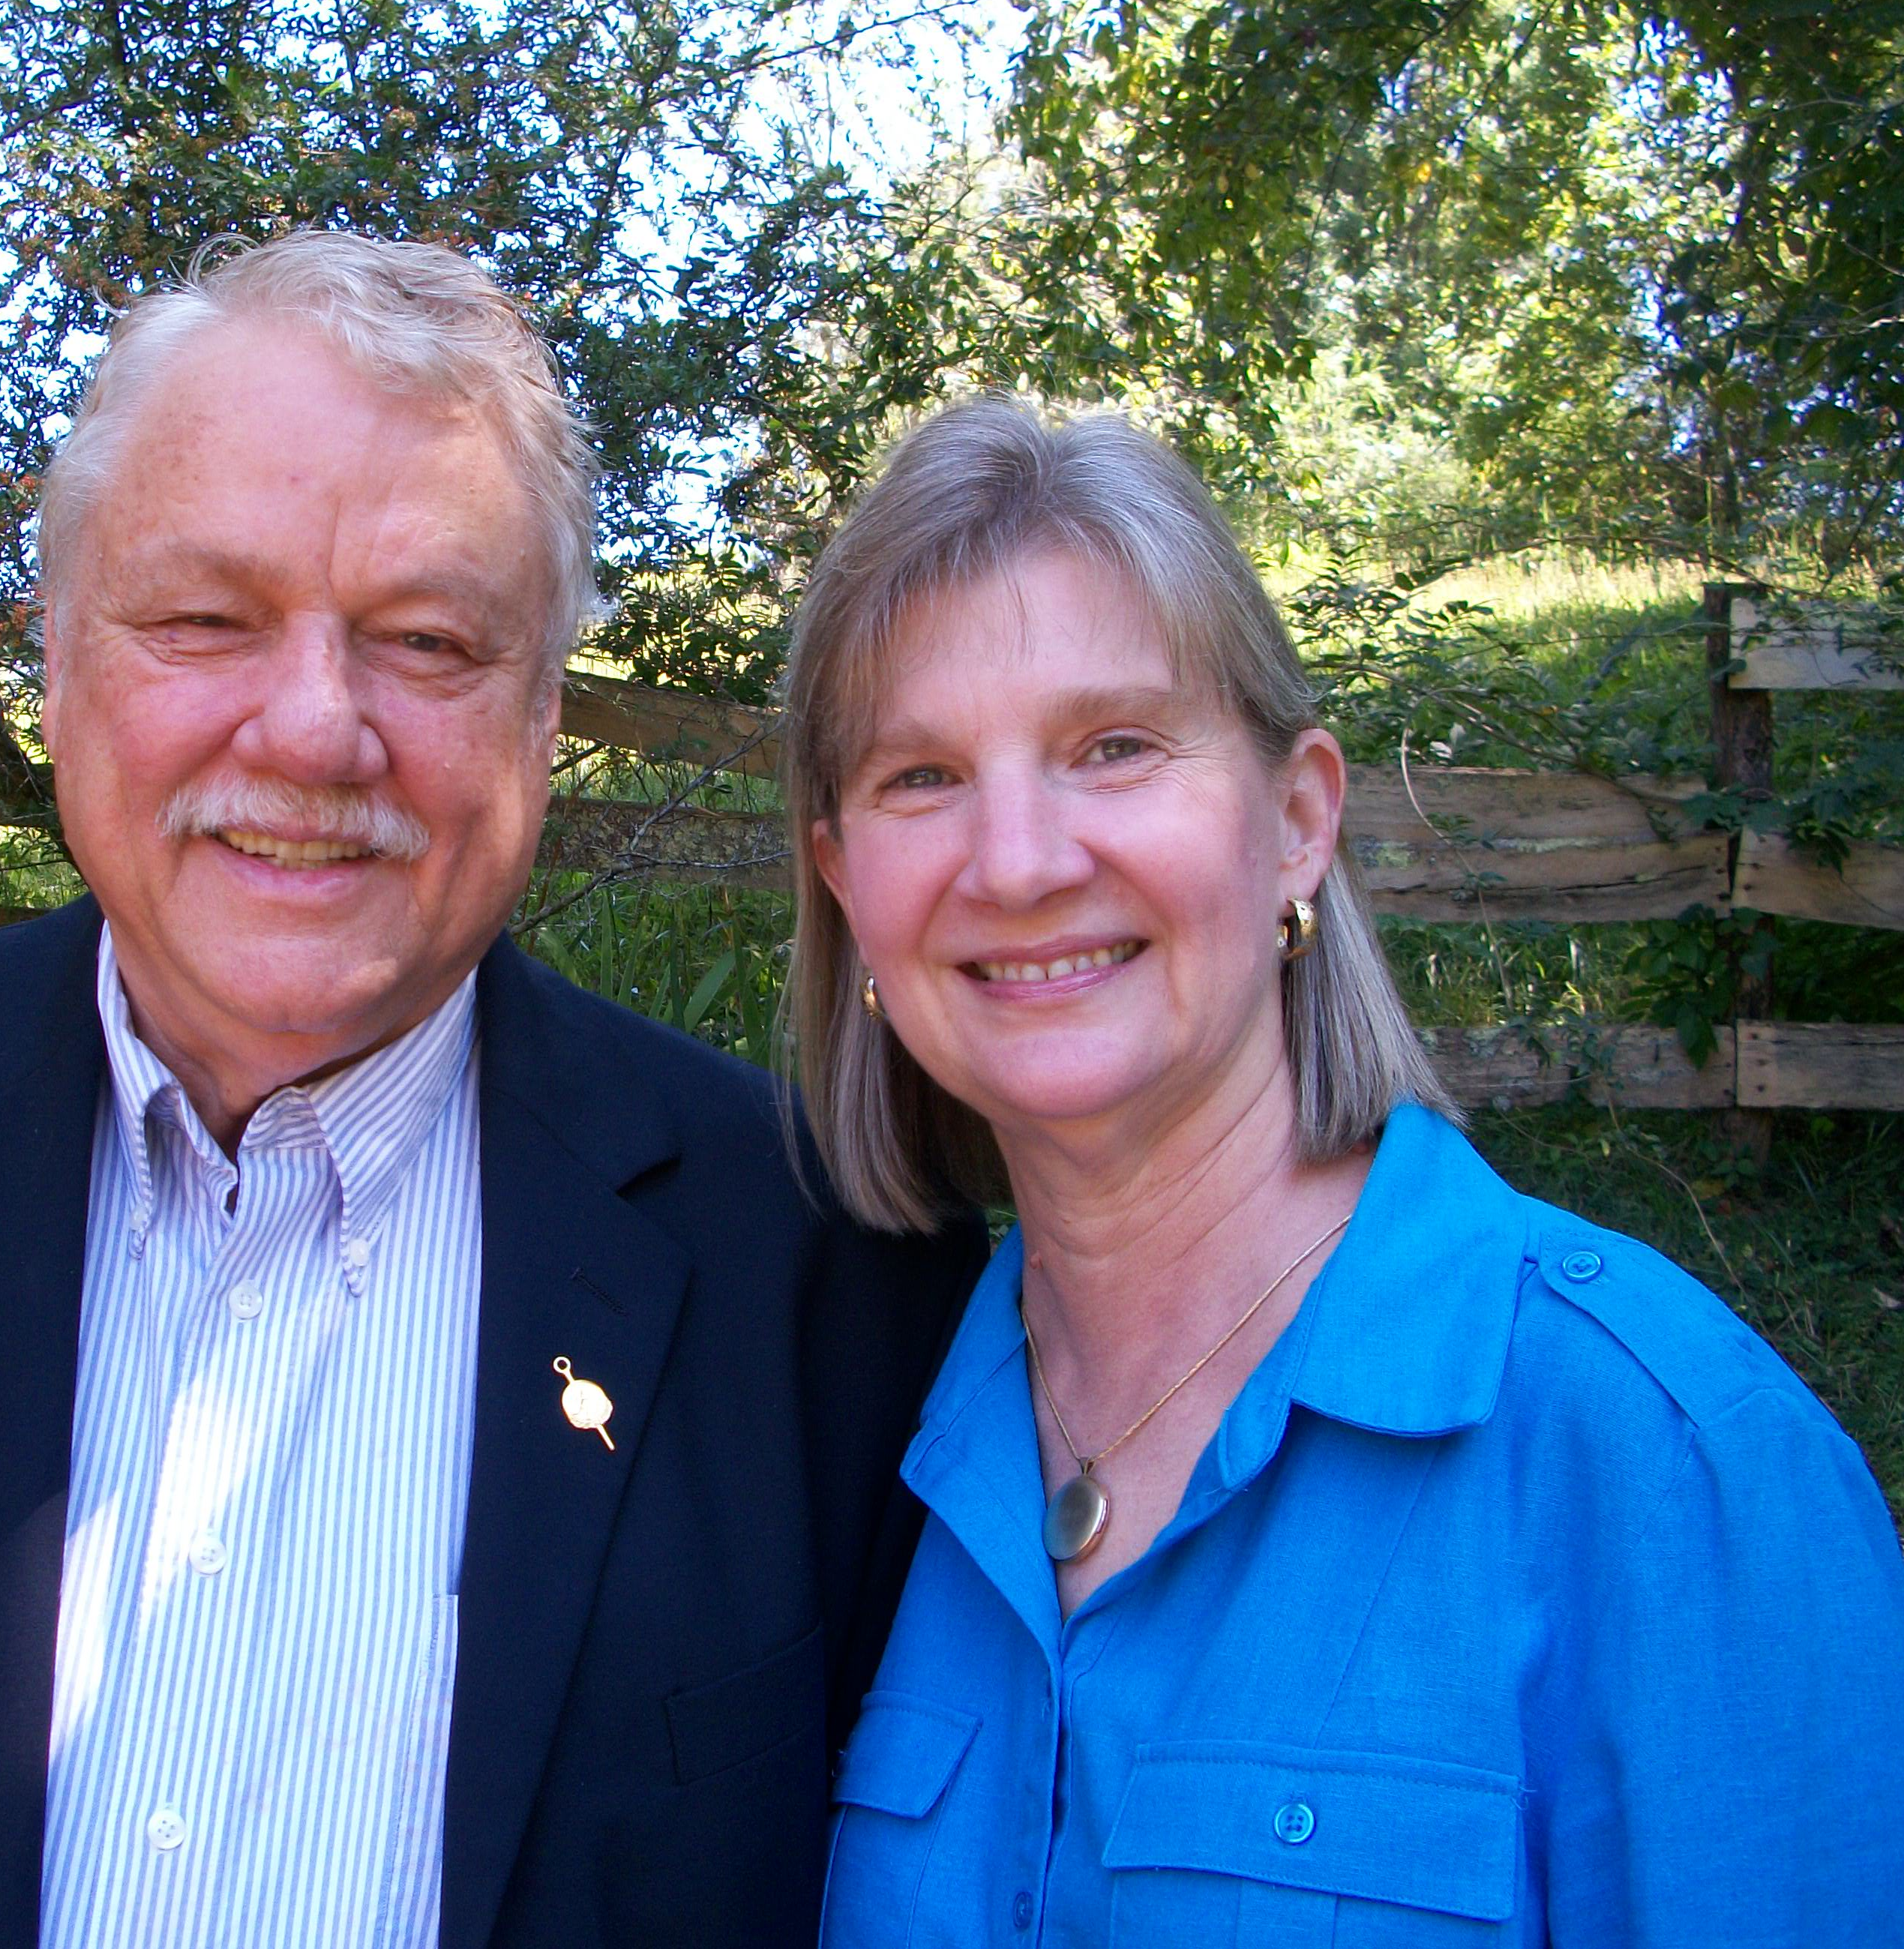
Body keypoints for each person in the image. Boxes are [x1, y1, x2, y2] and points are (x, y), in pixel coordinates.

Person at [0, 233, 981, 1949]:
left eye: (426, 641)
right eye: (200, 619)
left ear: (542, 715)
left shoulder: (825, 1268)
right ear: (56, 659)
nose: (314, 730)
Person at [786, 396, 1904, 1946]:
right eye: (920, 777)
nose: (1019, 860)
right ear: (843, 884)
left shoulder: (1651, 1453)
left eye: (1111, 747)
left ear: (1297, 820)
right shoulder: (861, 1441)